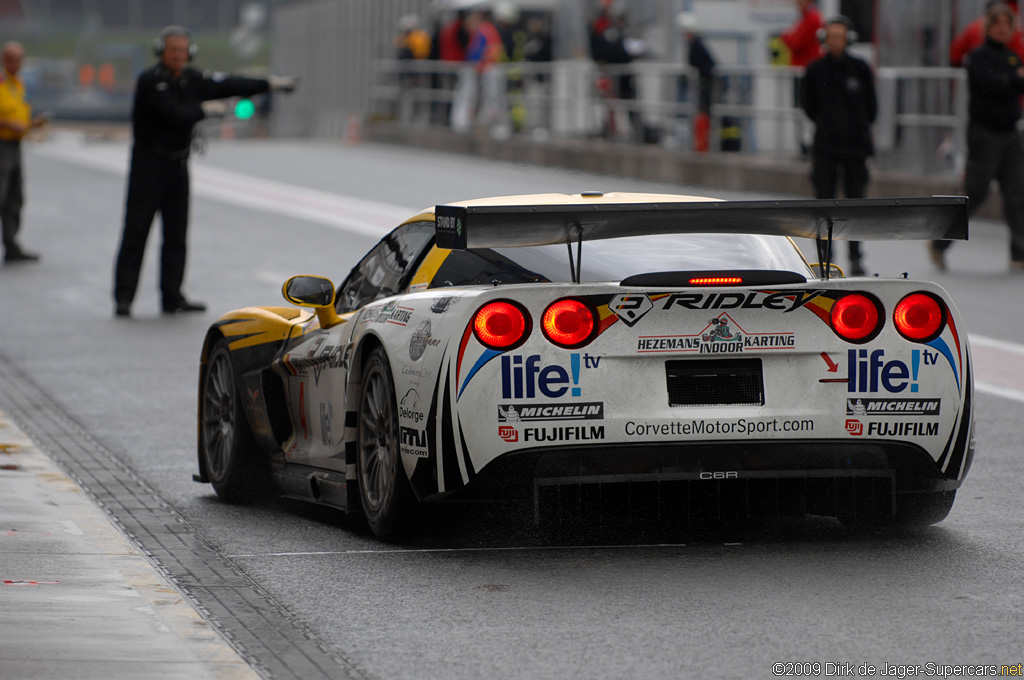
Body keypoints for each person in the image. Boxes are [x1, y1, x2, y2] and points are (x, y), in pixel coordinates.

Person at [113, 26, 297, 317]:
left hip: (177, 164)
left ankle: (172, 297)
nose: (178, 55)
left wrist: (271, 84)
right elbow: (173, 114)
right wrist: (206, 110)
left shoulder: (192, 78)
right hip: (148, 166)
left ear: (190, 52)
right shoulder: (151, 81)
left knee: (176, 234)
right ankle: (124, 298)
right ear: (162, 51)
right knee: (136, 232)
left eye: (182, 50)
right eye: (173, 50)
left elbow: (230, 84)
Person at [931, 3, 1024, 271]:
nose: (1004, 30)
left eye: (1008, 25)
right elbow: (993, 85)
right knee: (975, 193)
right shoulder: (979, 56)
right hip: (985, 134)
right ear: (989, 27)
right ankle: (940, 242)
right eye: (999, 25)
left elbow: (1014, 83)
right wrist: (1011, 79)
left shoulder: (1012, 56)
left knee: (1017, 194)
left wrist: (1010, 79)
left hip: (1011, 133)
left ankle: (1019, 252)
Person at [801, 16, 877, 276]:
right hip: (825, 148)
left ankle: (856, 256)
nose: (835, 41)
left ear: (848, 39)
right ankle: (825, 259)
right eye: (831, 36)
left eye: (840, 36)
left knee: (856, 204)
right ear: (825, 39)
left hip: (855, 148)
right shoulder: (814, 70)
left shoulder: (860, 68)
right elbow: (807, 105)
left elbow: (871, 108)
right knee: (823, 205)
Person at [0, 41, 48, 263]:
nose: (14, 64)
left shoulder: (19, 85)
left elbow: (21, 113)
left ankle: (11, 244)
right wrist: (9, 124)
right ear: (3, 60)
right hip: (1, 144)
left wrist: (32, 123)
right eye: (10, 59)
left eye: (18, 60)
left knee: (14, 197)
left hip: (16, 146)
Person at [678, 12, 716, 152]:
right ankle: (701, 145)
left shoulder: (695, 45)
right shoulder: (698, 43)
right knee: (703, 114)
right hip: (705, 83)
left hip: (705, 85)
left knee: (703, 113)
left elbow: (694, 64)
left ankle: (702, 146)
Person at [950, 0, 1024, 66]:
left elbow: (955, 54)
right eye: (997, 23)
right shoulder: (1013, 31)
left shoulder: (973, 27)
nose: (1002, 28)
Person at [780, 0, 823, 69]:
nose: (797, 2)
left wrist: (786, 37)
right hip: (802, 66)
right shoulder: (806, 16)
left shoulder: (812, 18)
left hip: (805, 66)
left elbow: (797, 44)